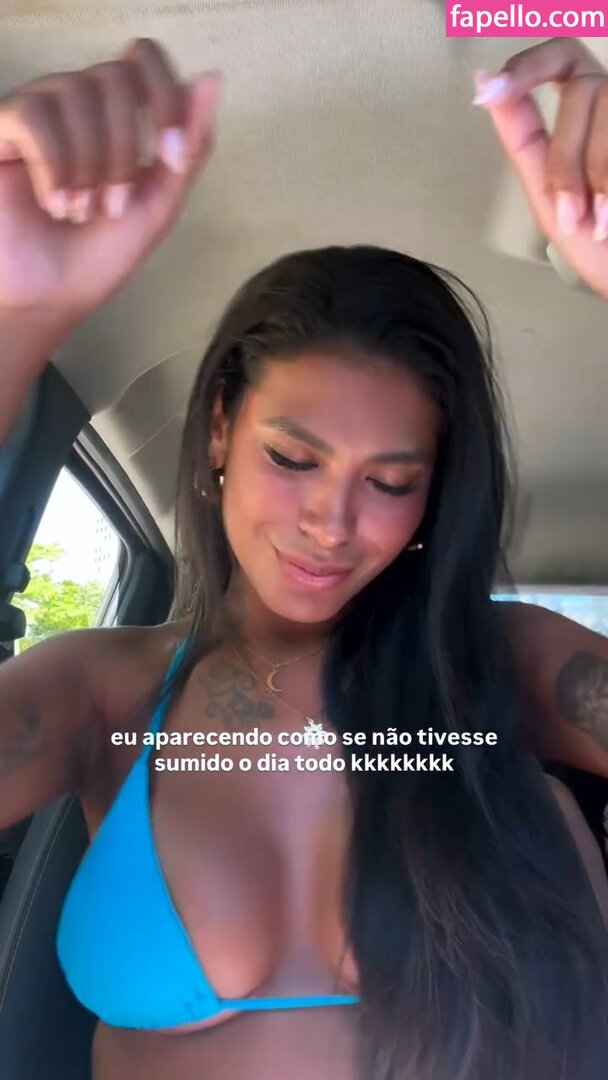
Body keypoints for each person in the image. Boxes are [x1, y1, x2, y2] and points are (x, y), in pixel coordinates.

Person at [0, 33, 608, 1080]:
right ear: (221, 431)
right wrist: (17, 320)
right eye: (293, 458)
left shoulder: (504, 665)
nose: (332, 523)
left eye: (390, 480)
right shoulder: (99, 692)